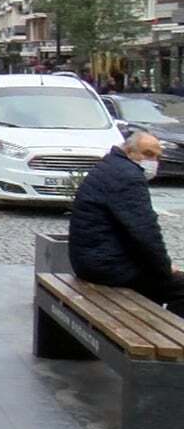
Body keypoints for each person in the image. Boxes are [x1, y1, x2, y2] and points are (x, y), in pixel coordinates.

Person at [69, 132, 184, 317]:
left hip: (91, 260)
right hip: (107, 268)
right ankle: (173, 339)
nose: (154, 161)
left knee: (161, 284)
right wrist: (164, 269)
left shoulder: (110, 165)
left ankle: (156, 327)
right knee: (180, 287)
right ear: (129, 151)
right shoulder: (128, 176)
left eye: (157, 157)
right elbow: (145, 232)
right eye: (147, 154)